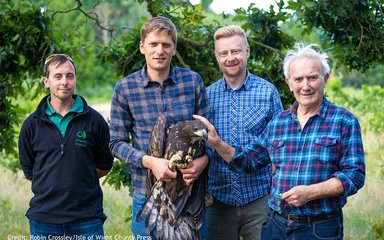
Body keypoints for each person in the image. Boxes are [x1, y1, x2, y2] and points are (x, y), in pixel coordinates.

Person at [195, 42, 366, 240]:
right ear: (289, 82)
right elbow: (248, 160)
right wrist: (217, 143)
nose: (305, 86)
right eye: (299, 79)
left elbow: (355, 175)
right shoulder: (278, 124)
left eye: (312, 78)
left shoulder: (344, 121)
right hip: (276, 225)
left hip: (319, 227)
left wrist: (310, 193)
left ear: (325, 79)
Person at [109, 16, 211, 239]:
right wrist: (150, 162)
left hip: (190, 193)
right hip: (149, 194)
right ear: (142, 47)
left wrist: (203, 161)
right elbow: (116, 144)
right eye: (153, 44)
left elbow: (210, 136)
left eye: (166, 44)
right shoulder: (125, 88)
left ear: (174, 48)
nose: (159, 50)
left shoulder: (192, 82)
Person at [18, 54, 114, 238]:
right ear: (46, 81)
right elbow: (31, 170)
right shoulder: (32, 125)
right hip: (44, 220)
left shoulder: (94, 121)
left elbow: (104, 165)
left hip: (87, 219)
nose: (64, 82)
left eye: (70, 76)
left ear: (75, 79)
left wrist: (80, 177)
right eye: (58, 76)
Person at [203, 25, 283, 240]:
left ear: (247, 51)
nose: (230, 58)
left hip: (259, 198)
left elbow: (280, 147)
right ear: (217, 57)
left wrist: (276, 194)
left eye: (236, 51)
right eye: (224, 53)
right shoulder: (206, 96)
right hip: (219, 199)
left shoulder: (267, 92)